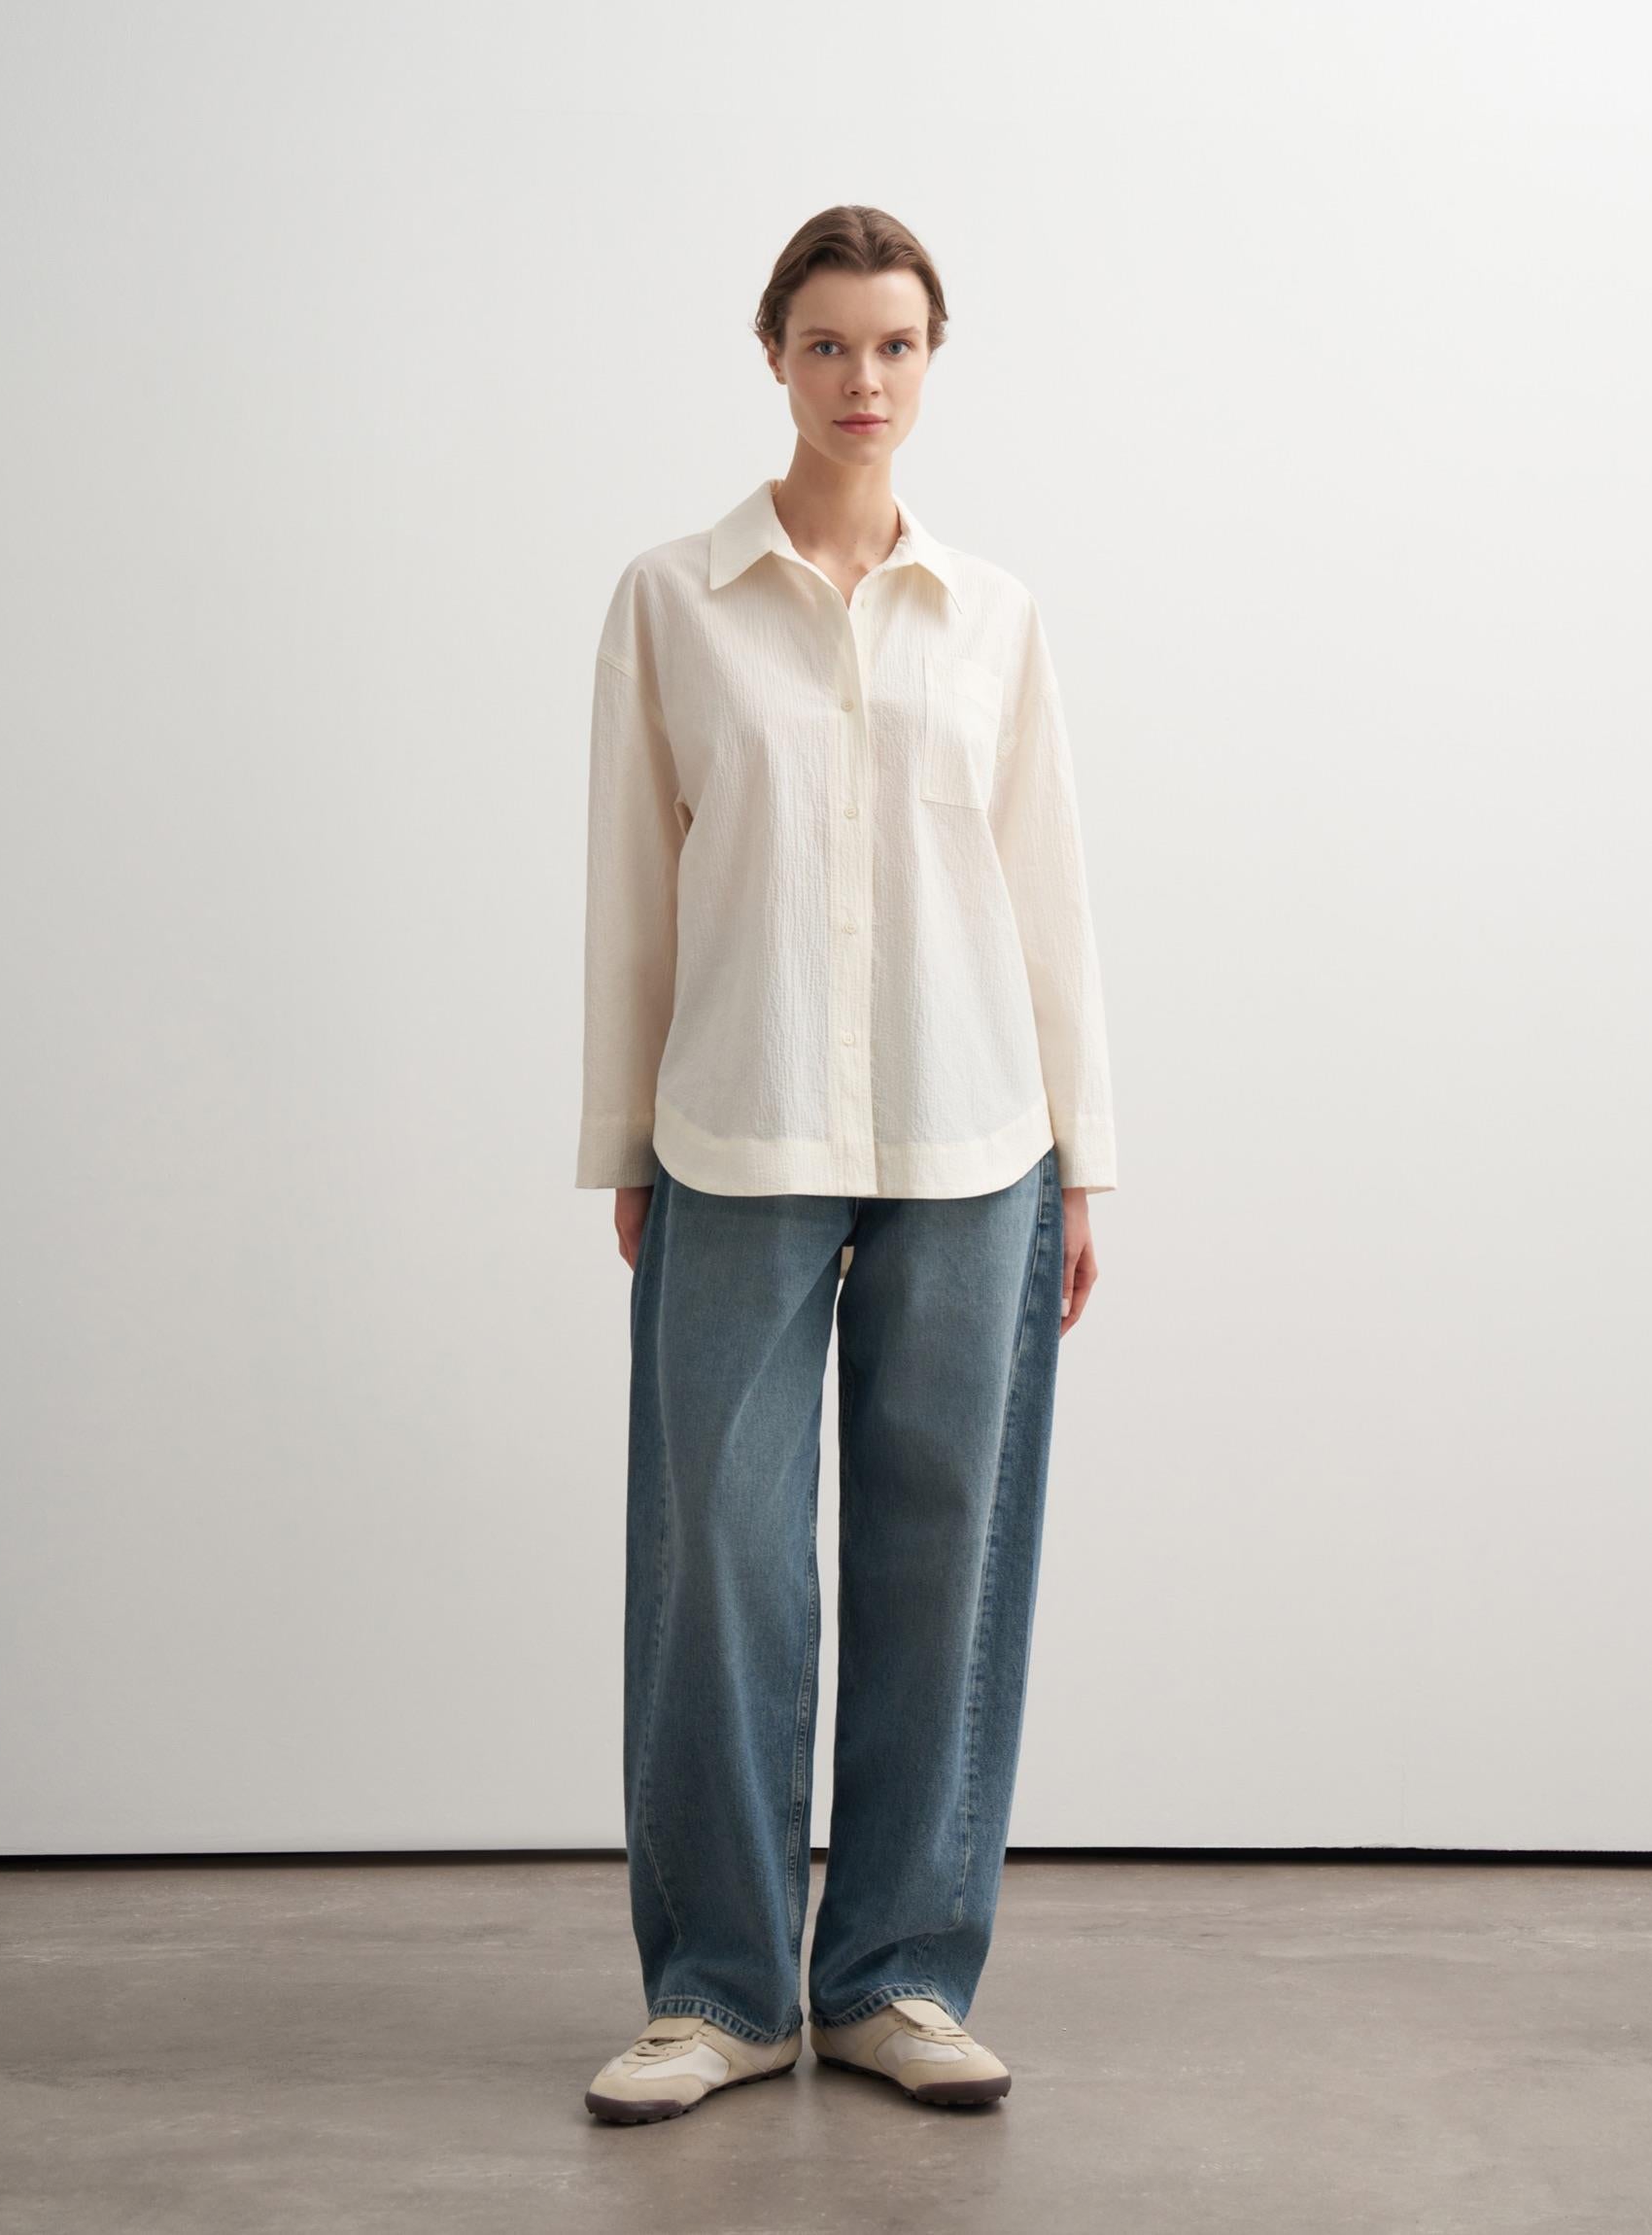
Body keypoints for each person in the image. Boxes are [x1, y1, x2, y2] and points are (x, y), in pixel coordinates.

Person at [575, 204, 1118, 2123]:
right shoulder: (673, 598)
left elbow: (1046, 895)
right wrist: (620, 1139)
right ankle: (717, 1991)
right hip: (737, 1124)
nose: (862, 380)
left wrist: (1086, 1162)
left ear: (931, 359)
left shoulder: (996, 616)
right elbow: (634, 888)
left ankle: (899, 1974)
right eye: (828, 344)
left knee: (942, 1558)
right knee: (716, 1565)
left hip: (979, 1135)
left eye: (894, 346)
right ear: (775, 357)